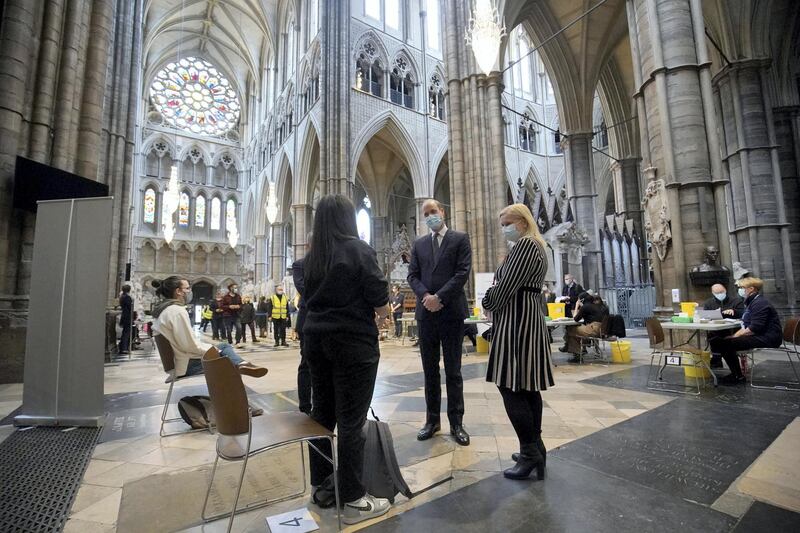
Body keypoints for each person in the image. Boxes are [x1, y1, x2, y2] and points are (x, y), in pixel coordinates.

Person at [303, 194, 391, 524]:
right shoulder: (357, 249)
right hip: (352, 344)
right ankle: (353, 499)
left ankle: (323, 485)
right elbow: (378, 292)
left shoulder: (313, 258)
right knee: (352, 421)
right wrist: (383, 314)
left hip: (316, 342)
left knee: (321, 416)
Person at [482, 204, 554, 480]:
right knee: (526, 387)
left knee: (510, 385)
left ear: (522, 222)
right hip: (524, 320)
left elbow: (504, 288)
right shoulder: (536, 246)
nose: (504, 229)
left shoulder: (526, 246)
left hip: (517, 324)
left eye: (507, 223)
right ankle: (536, 447)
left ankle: (530, 453)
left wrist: (487, 299)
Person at [408, 198, 472, 446]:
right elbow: (413, 275)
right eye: (426, 214)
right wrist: (426, 297)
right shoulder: (420, 244)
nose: (430, 216)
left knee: (453, 371)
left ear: (442, 211)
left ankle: (457, 422)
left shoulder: (459, 239)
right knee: (430, 371)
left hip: (451, 311)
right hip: (427, 314)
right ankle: (432, 421)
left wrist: (440, 297)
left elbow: (462, 273)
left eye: (433, 211)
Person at [150, 277, 267, 379]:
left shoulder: (165, 310)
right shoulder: (177, 311)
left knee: (224, 346)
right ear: (178, 291)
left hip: (179, 360)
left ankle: (242, 364)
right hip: (186, 364)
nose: (189, 291)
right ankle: (241, 368)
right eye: (187, 288)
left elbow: (187, 343)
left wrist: (213, 348)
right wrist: (213, 350)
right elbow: (190, 346)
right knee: (226, 358)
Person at [709, 277, 783, 385]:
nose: (740, 290)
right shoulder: (753, 301)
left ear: (751, 289)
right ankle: (736, 374)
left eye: (742, 287)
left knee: (724, 343)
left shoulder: (759, 303)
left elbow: (755, 327)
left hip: (768, 337)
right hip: (761, 335)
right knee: (719, 341)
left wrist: (735, 336)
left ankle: (737, 376)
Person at [702, 283, 745, 368]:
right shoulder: (709, 303)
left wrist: (734, 311)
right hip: (715, 329)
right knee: (714, 335)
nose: (720, 294)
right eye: (717, 293)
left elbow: (743, 313)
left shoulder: (736, 301)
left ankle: (716, 359)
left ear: (725, 290)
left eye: (721, 292)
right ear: (713, 293)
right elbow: (705, 315)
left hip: (733, 330)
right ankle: (717, 359)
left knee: (715, 337)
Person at [561, 292, 609, 361]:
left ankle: (576, 354)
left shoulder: (585, 306)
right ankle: (570, 348)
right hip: (605, 330)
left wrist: (577, 306)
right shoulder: (601, 306)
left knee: (570, 329)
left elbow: (575, 318)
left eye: (578, 300)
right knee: (576, 331)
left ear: (581, 300)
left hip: (595, 330)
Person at [292, 252, 312, 415]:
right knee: (306, 362)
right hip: (308, 320)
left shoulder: (333, 259)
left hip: (329, 318)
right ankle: (305, 407)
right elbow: (304, 289)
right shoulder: (300, 264)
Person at [118, 284, 133, 354]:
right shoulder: (127, 297)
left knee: (125, 332)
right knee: (126, 333)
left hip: (125, 315)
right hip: (127, 316)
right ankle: (124, 348)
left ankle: (123, 347)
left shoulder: (122, 297)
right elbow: (130, 308)